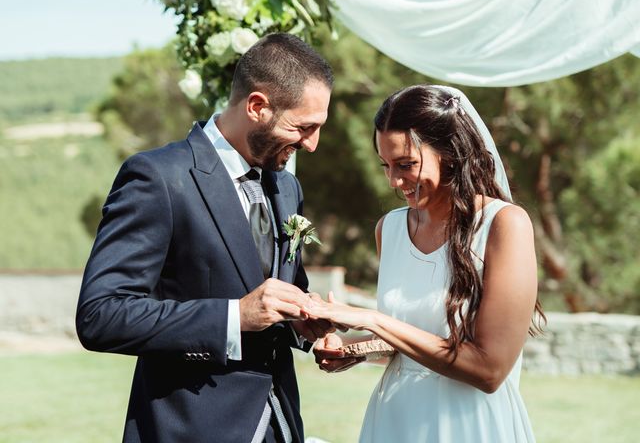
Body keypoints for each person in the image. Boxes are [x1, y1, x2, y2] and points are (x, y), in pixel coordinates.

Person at [76, 33, 334, 443]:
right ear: (256, 106)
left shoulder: (286, 187)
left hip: (281, 424)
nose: (312, 144)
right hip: (190, 427)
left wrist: (304, 318)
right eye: (303, 127)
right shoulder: (158, 178)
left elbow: (276, 285)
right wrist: (233, 318)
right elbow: (101, 315)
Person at [308, 85, 546, 442]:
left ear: (449, 153)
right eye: (386, 166)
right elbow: (413, 337)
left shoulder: (504, 225)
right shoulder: (388, 229)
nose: (394, 181)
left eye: (406, 165)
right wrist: (355, 349)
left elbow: (490, 369)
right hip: (395, 419)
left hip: (468, 424)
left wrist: (372, 318)